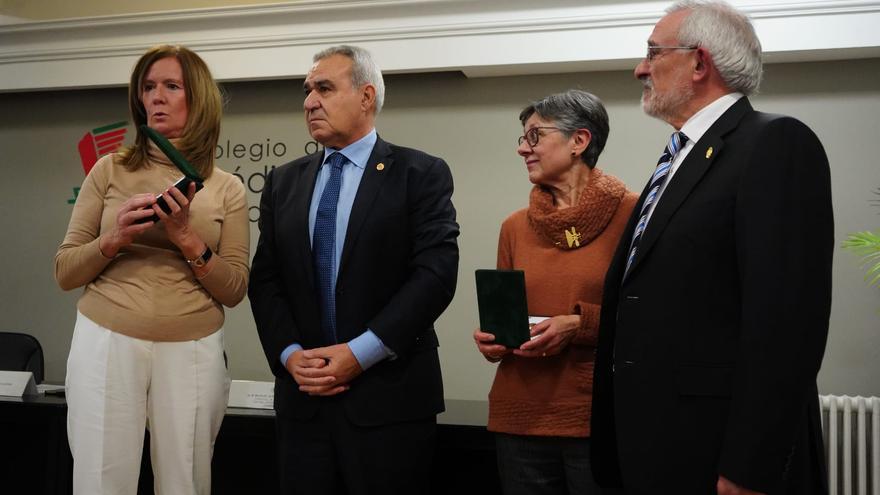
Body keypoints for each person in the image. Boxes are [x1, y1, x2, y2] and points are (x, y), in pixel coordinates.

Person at [589, 1, 834, 494]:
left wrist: (750, 467)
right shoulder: (677, 158)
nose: (640, 68)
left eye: (653, 52)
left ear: (699, 63)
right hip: (655, 447)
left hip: (718, 454)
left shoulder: (775, 142)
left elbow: (786, 325)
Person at [248, 45, 459, 495]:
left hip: (390, 403)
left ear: (366, 97)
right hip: (304, 405)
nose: (309, 101)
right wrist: (289, 355)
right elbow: (266, 279)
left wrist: (360, 353)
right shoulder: (283, 182)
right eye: (308, 91)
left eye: (324, 88)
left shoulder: (419, 173)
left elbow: (436, 274)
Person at [54, 45, 250, 494]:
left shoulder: (227, 188)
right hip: (106, 341)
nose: (155, 97)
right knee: (99, 482)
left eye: (171, 86)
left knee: (188, 482)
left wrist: (186, 238)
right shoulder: (108, 169)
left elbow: (235, 288)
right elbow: (65, 271)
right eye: (147, 87)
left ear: (197, 99)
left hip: (194, 348)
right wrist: (114, 238)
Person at [473, 90, 637, 495]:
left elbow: (651, 315)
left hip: (596, 417)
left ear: (579, 141)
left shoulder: (634, 216)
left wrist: (580, 325)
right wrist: (496, 339)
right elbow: (504, 316)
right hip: (518, 418)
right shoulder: (514, 226)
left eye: (533, 137)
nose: (521, 149)